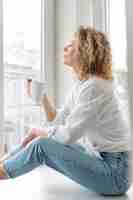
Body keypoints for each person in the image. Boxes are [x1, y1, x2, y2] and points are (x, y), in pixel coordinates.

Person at [0, 25, 132, 196]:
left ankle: (2, 171)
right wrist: (42, 97)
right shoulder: (83, 84)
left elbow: (69, 135)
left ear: (85, 52)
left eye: (72, 45)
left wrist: (42, 133)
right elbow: (57, 120)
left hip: (116, 173)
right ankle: (3, 163)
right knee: (38, 136)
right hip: (103, 160)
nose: (65, 48)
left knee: (41, 145)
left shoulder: (95, 86)